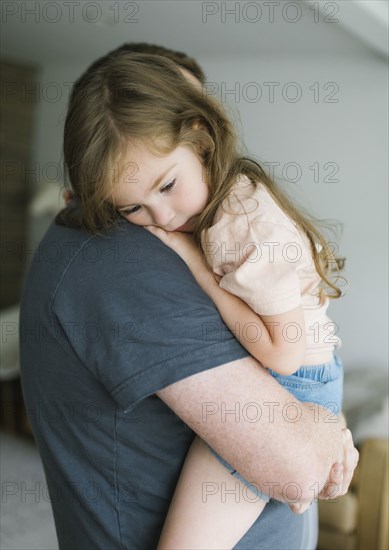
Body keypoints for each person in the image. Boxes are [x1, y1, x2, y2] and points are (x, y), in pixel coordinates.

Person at [19, 47, 358, 550]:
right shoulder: (134, 247)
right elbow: (296, 464)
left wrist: (324, 424)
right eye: (132, 206)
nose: (161, 217)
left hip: (296, 373)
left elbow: (286, 355)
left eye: (167, 185)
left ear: (201, 133)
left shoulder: (237, 225)